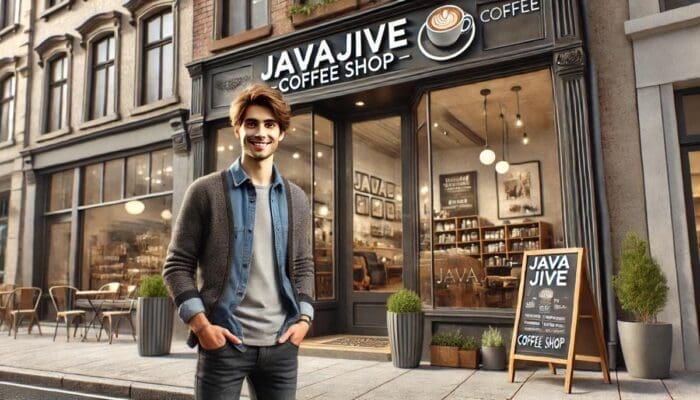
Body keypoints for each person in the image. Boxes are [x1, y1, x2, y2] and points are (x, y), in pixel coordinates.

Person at [163, 83, 315, 400]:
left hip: (281, 346)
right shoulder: (205, 191)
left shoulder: (296, 198)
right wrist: (202, 328)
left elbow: (303, 266)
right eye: (252, 123)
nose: (261, 132)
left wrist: (304, 320)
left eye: (270, 124)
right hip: (224, 344)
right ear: (237, 129)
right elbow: (177, 266)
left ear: (282, 133)